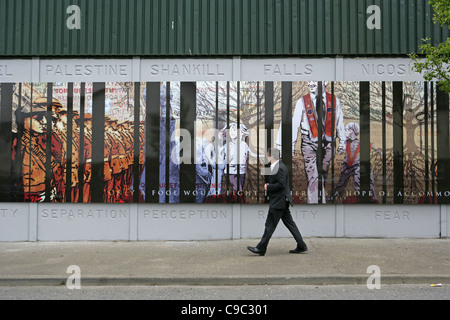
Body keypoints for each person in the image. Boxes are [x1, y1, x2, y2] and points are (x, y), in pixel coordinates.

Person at [284, 81, 346, 204]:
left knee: (322, 176)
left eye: (314, 80)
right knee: (313, 176)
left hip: (328, 144)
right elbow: (295, 125)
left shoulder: (334, 101)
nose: (310, 83)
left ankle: (319, 201)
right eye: (309, 80)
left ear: (325, 82)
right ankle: (316, 205)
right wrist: (291, 145)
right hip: (309, 143)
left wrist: (343, 141)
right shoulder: (301, 102)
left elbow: (339, 122)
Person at [247, 148, 307, 256]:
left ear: (271, 156)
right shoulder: (275, 167)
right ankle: (301, 245)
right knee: (290, 224)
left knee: (269, 225)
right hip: (281, 201)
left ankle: (261, 248)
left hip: (279, 202)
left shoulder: (280, 168)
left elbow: (281, 184)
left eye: (267, 155)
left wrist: (268, 187)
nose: (267, 157)